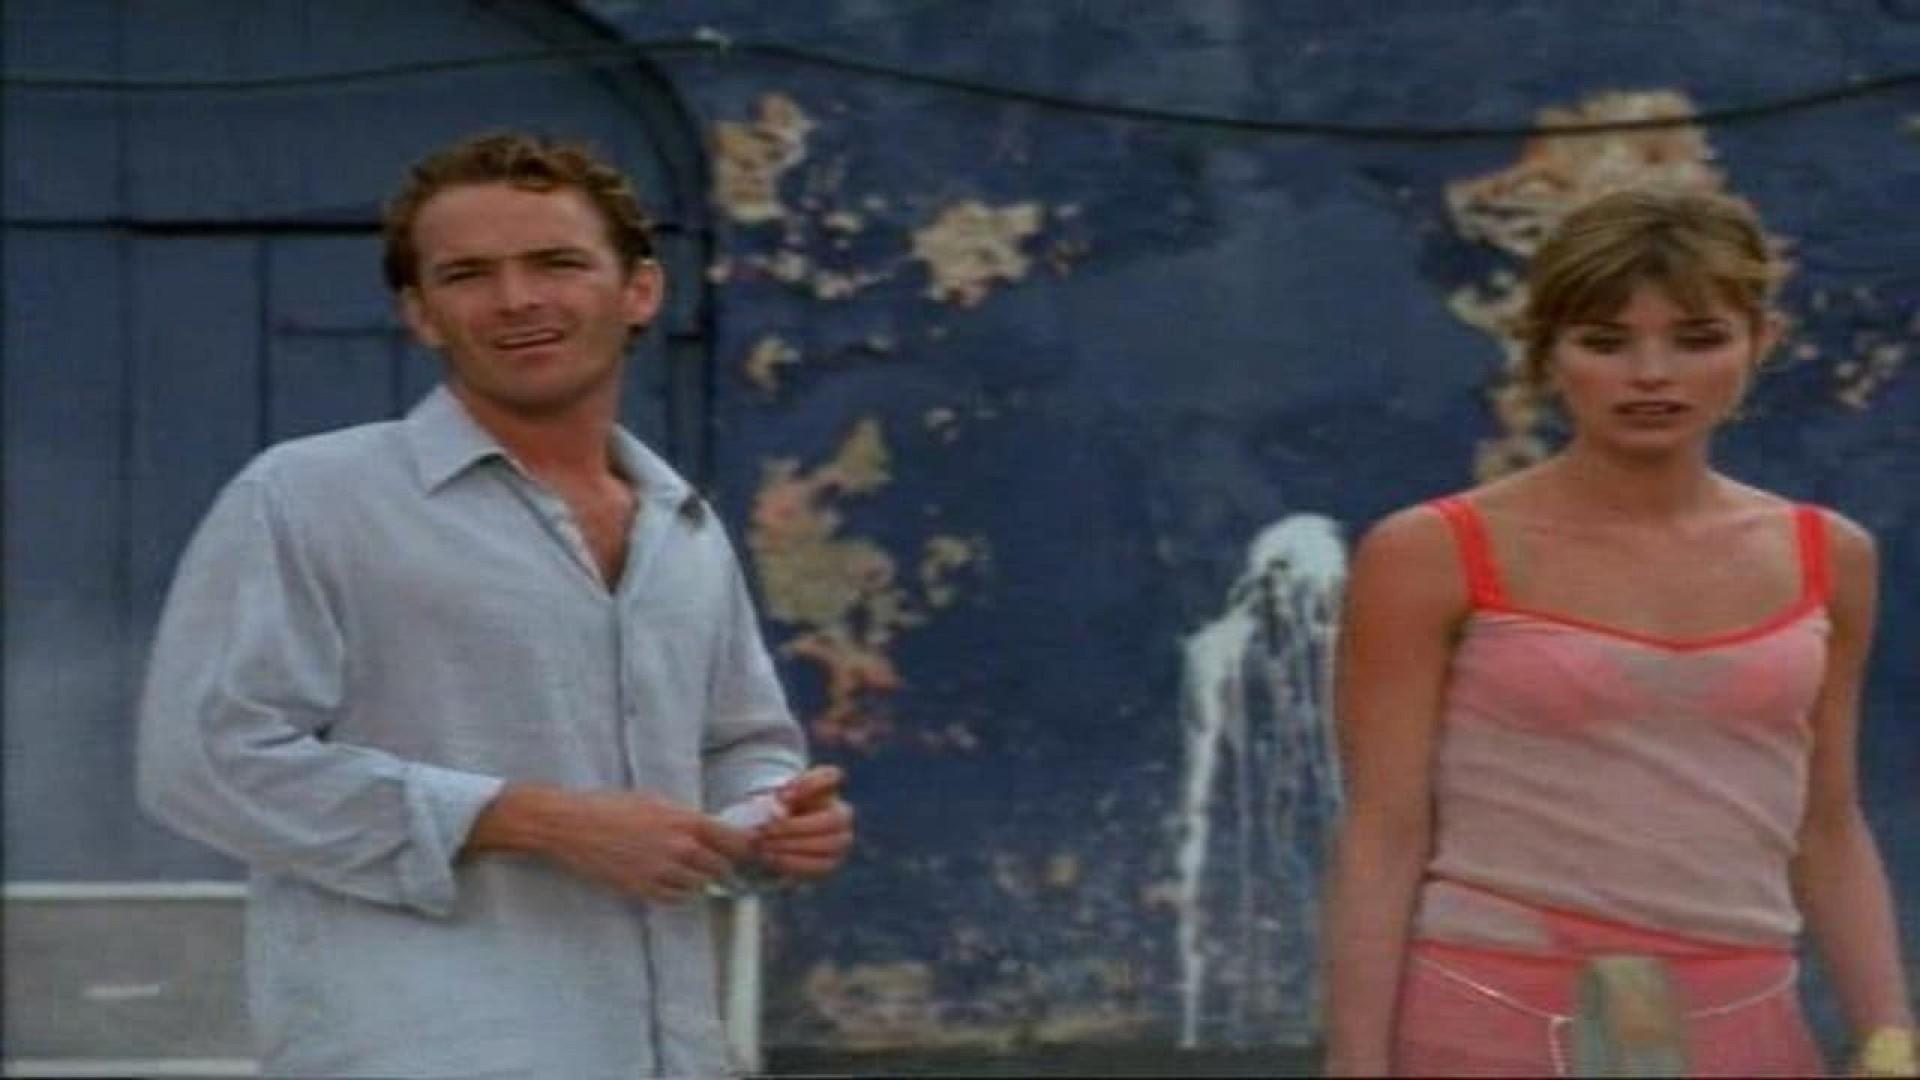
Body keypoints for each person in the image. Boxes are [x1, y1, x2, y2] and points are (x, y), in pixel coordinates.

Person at [137, 131, 854, 1079]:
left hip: (667, 1052)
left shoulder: (683, 526)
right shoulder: (308, 496)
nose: (516, 299)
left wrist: (769, 820)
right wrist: (537, 820)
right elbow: (204, 760)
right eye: (467, 275)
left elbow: (740, 742)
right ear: (420, 313)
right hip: (423, 1051)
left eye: (557, 262)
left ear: (640, 291)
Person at [1323, 188, 1915, 1077]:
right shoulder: (1429, 553)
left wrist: (1890, 1039)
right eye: (1605, 342)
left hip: (1749, 1025)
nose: (1651, 374)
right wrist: (1354, 1065)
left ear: (1760, 342)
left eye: (1698, 339)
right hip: (1488, 1019)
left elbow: (1827, 823)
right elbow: (1384, 831)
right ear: (1546, 352)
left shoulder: (1829, 556)